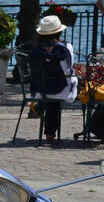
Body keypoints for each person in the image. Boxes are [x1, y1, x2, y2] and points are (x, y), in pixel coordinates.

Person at [28, 15, 78, 144]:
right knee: (82, 85)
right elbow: (68, 69)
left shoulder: (35, 50)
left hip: (40, 88)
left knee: (51, 94)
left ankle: (41, 108)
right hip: (61, 89)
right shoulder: (65, 48)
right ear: (59, 31)